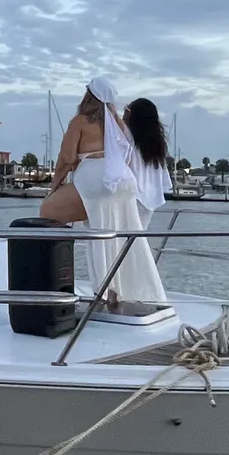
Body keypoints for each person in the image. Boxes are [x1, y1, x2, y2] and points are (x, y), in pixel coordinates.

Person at [40, 79, 167, 309]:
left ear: (88, 96)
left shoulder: (79, 122)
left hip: (96, 178)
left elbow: (66, 159)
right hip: (124, 182)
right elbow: (127, 155)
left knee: (47, 212)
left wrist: (53, 188)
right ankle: (118, 292)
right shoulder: (119, 125)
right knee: (115, 237)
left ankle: (56, 285)